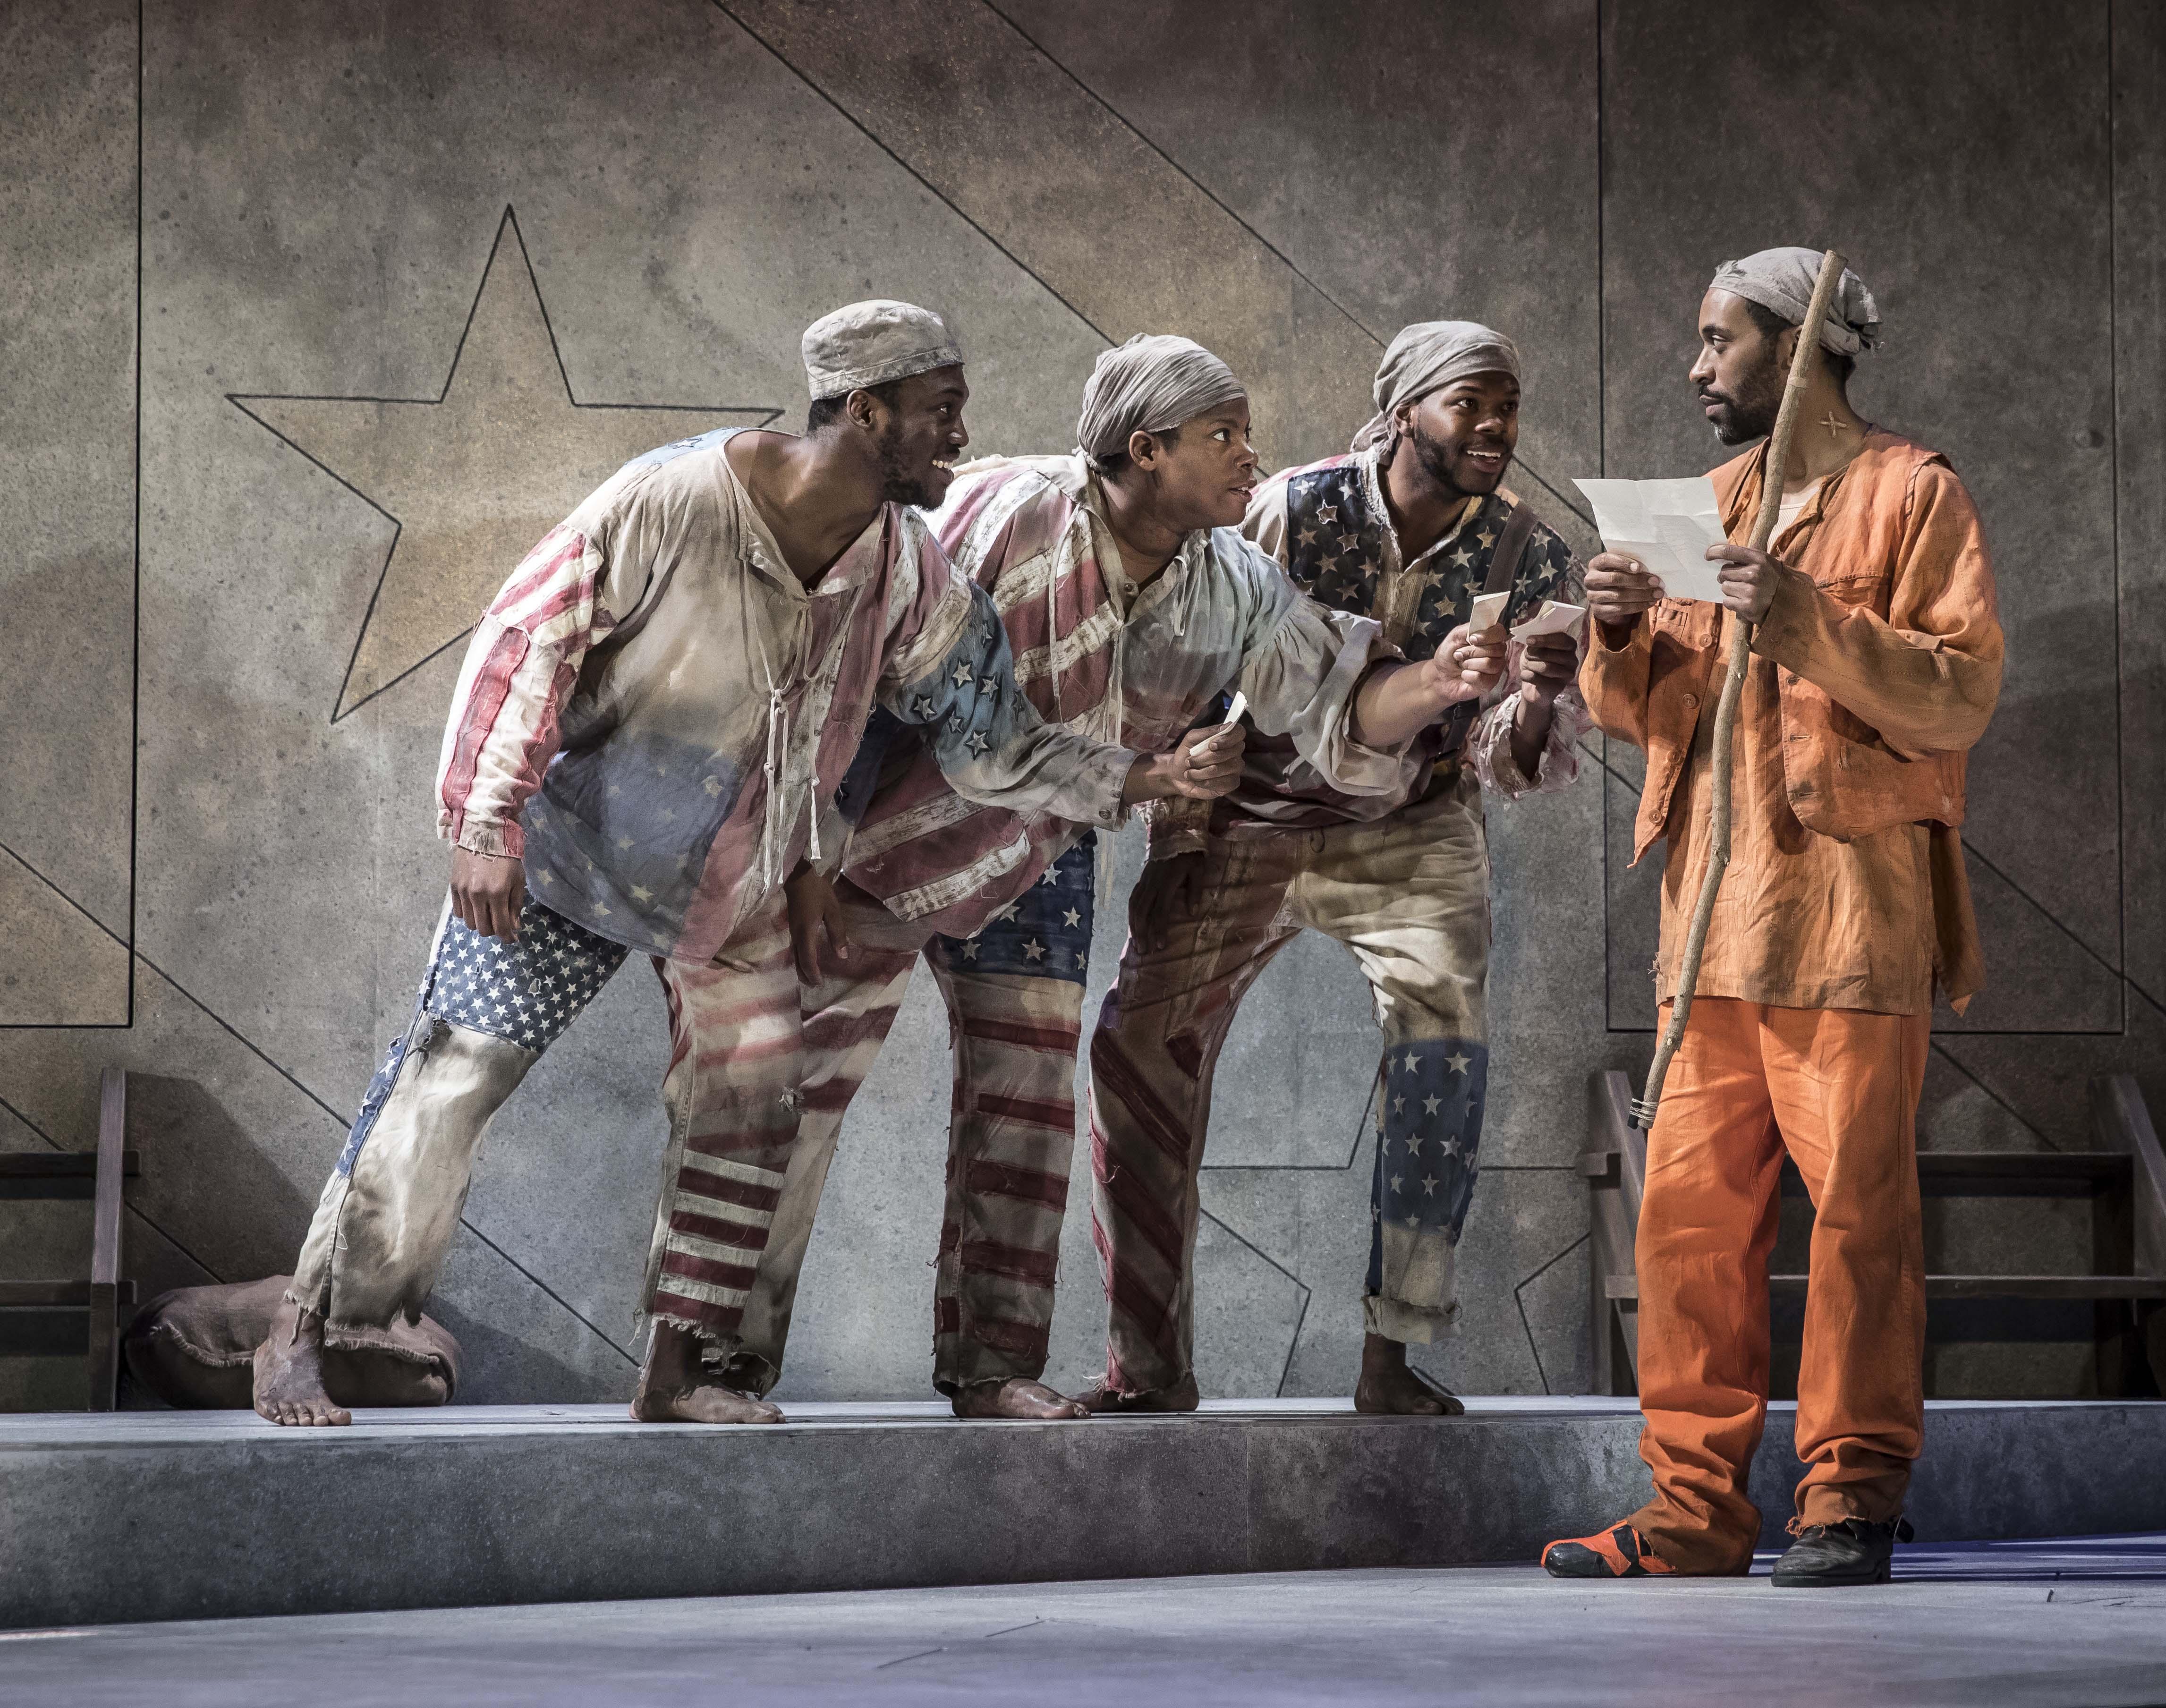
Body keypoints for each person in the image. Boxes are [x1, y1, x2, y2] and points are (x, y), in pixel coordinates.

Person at [253, 302, 1211, 1428]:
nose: (961, 435)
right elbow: (526, 638)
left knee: (753, 1102)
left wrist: (1135, 781)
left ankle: (676, 1375)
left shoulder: (902, 564)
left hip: (737, 887)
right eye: (942, 412)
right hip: (568, 864)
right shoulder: (673, 497)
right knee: (450, 1080)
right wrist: (481, 825)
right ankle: (305, 1333)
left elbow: (983, 735)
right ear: (868, 411)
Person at [679, 333, 1508, 1419]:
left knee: (1024, 1107)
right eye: (1222, 436)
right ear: (1145, 447)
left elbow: (1340, 699)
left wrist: (1440, 681)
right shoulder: (1006, 512)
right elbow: (850, 654)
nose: (1249, 458)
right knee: (804, 1086)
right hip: (876, 848)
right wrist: (809, 857)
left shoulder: (1234, 579)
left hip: (1039, 856)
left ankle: (991, 1366)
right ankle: (719, 1358)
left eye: (1246, 435)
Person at [1539, 250, 2003, 1585]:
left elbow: (1958, 693)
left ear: (1804, 347)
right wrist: (1618, 637)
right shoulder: (1708, 505)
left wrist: (1807, 620)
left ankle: (1848, 1503)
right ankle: (1691, 1514)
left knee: (1862, 1227)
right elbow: (1652, 716)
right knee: (1683, 1231)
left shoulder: (1915, 495)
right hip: (1706, 937)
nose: (1696, 368)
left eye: (1718, 340)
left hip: (1849, 925)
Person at [1080, 321, 1588, 1417]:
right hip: (1250, 819)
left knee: (1442, 1063)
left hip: (1413, 827)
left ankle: (1391, 1357)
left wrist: (1539, 693)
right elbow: (1202, 674)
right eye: (1470, 403)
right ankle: (1148, 1365)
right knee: (1136, 1051)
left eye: (1508, 403)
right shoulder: (1291, 508)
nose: (1496, 424)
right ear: (1406, 409)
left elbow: (1508, 757)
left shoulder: (1530, 554)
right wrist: (1180, 833)